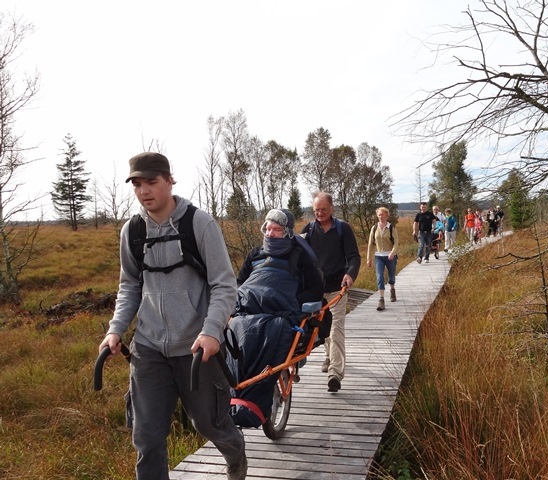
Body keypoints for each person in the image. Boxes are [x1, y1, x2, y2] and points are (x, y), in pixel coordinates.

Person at [98, 152, 247, 480]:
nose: (144, 190)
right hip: (148, 348)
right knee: (147, 436)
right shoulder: (133, 232)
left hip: (197, 348)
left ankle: (236, 457)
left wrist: (211, 331)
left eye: (151, 182)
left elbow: (224, 286)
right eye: (137, 184)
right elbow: (129, 288)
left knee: (210, 425)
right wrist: (115, 330)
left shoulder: (199, 223)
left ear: (169, 180)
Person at [229, 208, 324, 427]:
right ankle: (233, 398)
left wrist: (294, 303)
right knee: (232, 331)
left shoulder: (299, 257)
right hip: (247, 311)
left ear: (288, 233)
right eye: (268, 228)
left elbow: (315, 289)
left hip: (279, 314)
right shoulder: (255, 253)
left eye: (276, 229)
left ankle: (255, 405)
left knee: (273, 332)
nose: (270, 233)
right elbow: (240, 282)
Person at [301, 192, 361, 393]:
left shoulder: (342, 229)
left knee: (336, 329)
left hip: (338, 288)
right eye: (316, 210)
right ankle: (329, 355)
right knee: (321, 329)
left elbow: (354, 257)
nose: (319, 213)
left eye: (323, 209)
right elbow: (298, 258)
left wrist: (350, 275)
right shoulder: (308, 230)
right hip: (315, 290)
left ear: (332, 208)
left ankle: (335, 373)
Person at [366, 207, 398, 312]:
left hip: (390, 255)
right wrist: (368, 258)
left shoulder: (391, 227)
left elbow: (396, 243)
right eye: (379, 215)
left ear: (387, 215)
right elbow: (370, 244)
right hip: (378, 256)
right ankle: (381, 299)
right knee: (379, 276)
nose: (381, 217)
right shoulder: (374, 228)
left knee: (391, 275)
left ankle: (392, 289)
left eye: (382, 215)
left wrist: (392, 253)